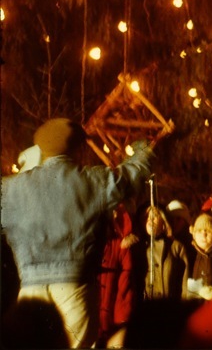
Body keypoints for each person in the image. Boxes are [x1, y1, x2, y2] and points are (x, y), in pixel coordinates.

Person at [1, 117, 156, 348]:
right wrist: (143, 151)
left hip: (30, 291)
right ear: (77, 148)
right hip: (75, 288)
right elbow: (131, 176)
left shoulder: (11, 189)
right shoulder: (93, 181)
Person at [96, 201, 145, 348]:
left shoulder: (120, 245)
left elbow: (125, 283)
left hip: (111, 317)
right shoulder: (89, 245)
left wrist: (122, 316)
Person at [143, 204, 190, 301]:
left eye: (155, 216)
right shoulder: (141, 247)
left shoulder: (176, 247)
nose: (150, 219)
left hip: (172, 306)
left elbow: (185, 281)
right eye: (147, 217)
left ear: (164, 221)